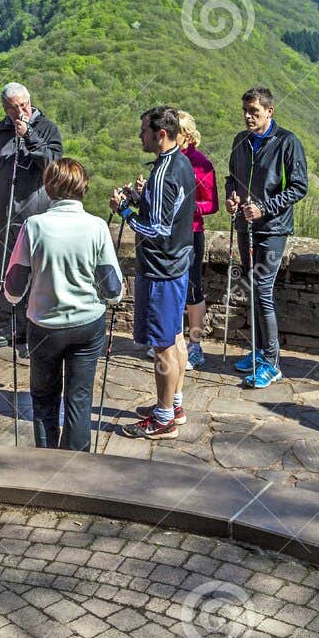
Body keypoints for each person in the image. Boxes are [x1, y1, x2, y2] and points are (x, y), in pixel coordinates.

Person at [3, 158, 123, 451]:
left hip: (44, 326)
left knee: (44, 400)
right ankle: (76, 471)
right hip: (87, 326)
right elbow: (114, 289)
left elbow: (14, 288)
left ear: (48, 187)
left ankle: (46, 468)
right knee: (79, 401)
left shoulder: (34, 226)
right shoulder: (96, 227)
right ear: (84, 188)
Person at [116, 106, 196, 440]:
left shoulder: (165, 172)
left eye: (143, 131)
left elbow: (157, 229)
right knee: (175, 339)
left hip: (161, 268)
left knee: (162, 346)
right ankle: (173, 405)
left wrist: (124, 211)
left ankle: (163, 418)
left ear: (160, 134)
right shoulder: (181, 163)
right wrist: (140, 197)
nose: (140, 136)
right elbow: (171, 211)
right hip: (177, 264)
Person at [225, 87, 308, 389]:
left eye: (254, 112)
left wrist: (264, 208)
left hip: (273, 229)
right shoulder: (240, 140)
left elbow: (299, 187)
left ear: (269, 112)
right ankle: (260, 351)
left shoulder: (288, 142)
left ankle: (272, 363)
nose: (248, 117)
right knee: (252, 287)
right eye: (245, 111)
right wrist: (231, 199)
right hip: (245, 225)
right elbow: (232, 178)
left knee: (261, 289)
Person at [0, 82, 63, 348]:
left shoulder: (47, 129)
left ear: (30, 101)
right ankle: (13, 326)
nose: (20, 111)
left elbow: (54, 166)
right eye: (13, 109)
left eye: (23, 105)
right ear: (5, 109)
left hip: (38, 216)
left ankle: (40, 327)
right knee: (9, 273)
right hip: (5, 216)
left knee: (39, 272)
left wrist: (29, 136)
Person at [176, 110, 218, 374]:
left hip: (191, 233)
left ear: (187, 135)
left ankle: (195, 345)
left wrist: (188, 208)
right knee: (173, 288)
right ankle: (174, 343)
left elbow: (212, 204)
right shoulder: (167, 160)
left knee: (192, 290)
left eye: (174, 132)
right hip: (170, 234)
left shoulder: (200, 162)